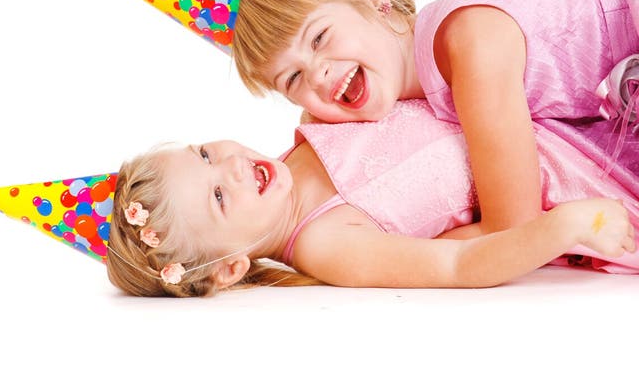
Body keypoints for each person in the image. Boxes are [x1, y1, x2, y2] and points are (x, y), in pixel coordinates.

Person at [231, 0, 639, 236]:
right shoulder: (425, 76)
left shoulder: (470, 44)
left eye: (319, 38)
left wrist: (387, 257)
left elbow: (514, 228)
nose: (318, 74)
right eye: (293, 78)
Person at [106, 100, 638, 298]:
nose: (228, 166)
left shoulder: (308, 129)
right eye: (219, 196)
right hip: (561, 170)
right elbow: (457, 263)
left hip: (525, 105)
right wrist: (560, 228)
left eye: (203, 154)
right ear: (229, 270)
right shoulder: (328, 243)